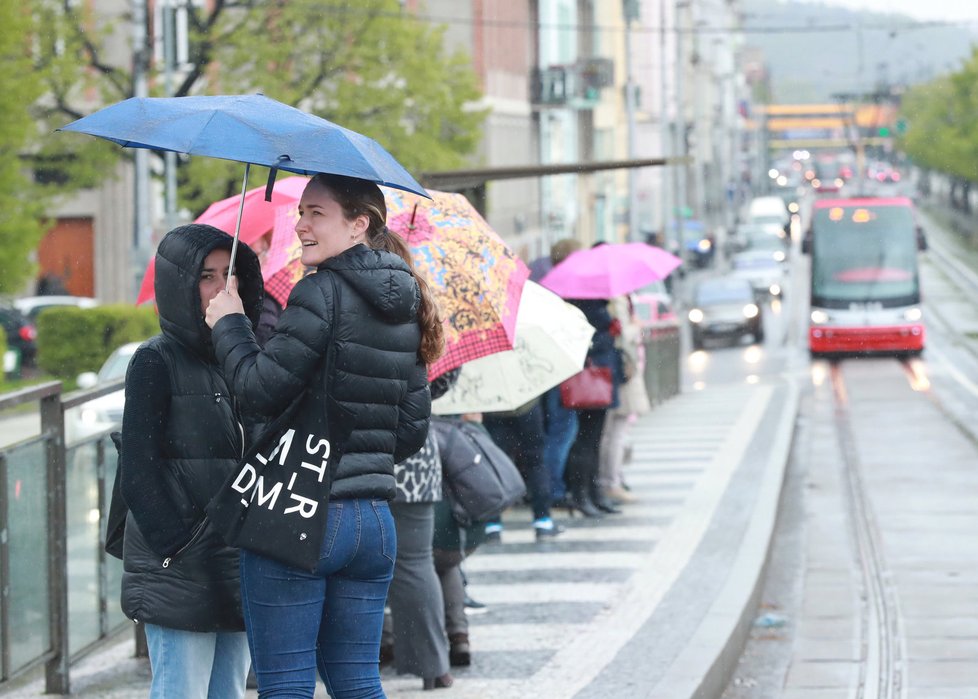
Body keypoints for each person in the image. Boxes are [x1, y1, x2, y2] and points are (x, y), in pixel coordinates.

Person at [205, 173, 443, 698]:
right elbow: (409, 432)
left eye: (317, 213)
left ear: (360, 225)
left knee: (287, 684)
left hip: (300, 514)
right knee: (357, 680)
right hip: (374, 525)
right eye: (302, 212)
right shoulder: (406, 304)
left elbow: (258, 392)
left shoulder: (320, 291)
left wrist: (229, 324)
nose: (302, 224)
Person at [119, 223, 264, 699]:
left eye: (230, 274)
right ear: (180, 283)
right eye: (206, 275)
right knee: (180, 690)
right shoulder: (155, 360)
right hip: (179, 566)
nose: (221, 287)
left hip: (236, 559)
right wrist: (175, 541)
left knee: (229, 691)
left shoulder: (246, 357)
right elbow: (138, 465)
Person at [381, 430, 454, 690]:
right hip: (417, 455)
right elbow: (442, 386)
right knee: (416, 563)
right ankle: (434, 664)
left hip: (371, 458)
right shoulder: (420, 386)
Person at [563, 294, 626, 517]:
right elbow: (585, 343)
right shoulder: (584, 304)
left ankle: (594, 493)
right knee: (586, 440)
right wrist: (609, 334)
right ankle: (581, 495)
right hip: (591, 379)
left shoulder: (597, 302)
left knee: (594, 440)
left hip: (602, 378)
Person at [598, 294, 651, 503]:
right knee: (615, 431)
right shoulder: (616, 300)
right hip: (621, 371)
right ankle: (611, 482)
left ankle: (612, 479)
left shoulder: (616, 298)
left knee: (612, 431)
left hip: (619, 369)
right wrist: (635, 327)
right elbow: (619, 336)